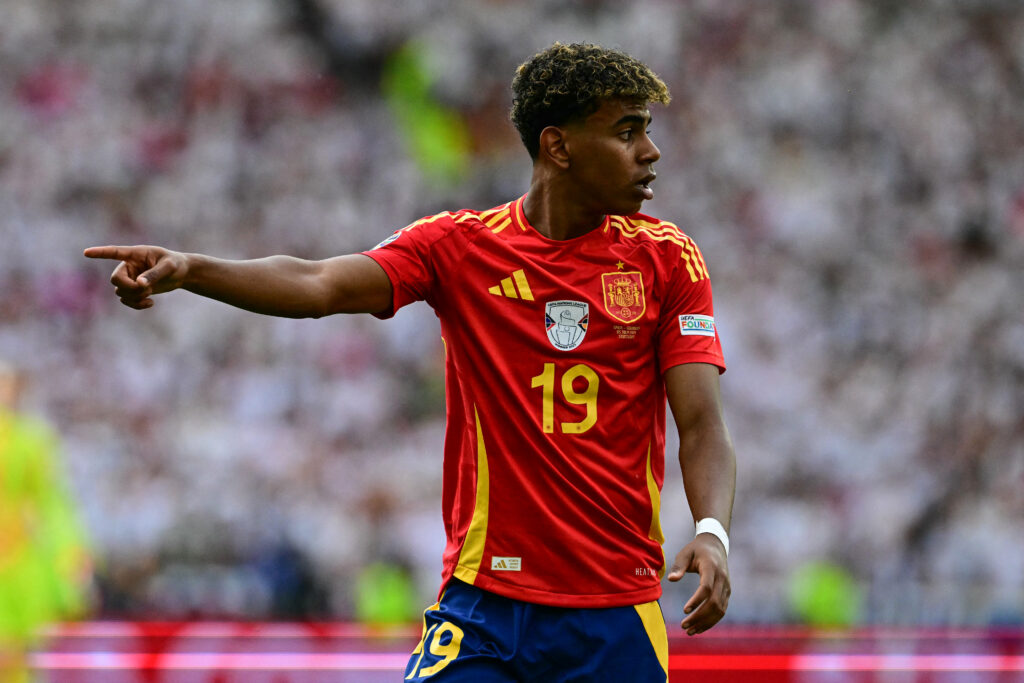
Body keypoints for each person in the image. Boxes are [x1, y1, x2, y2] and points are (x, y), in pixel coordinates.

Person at [85, 42, 736, 682]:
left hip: (616, 613)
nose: (650, 152)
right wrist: (194, 269)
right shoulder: (459, 247)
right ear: (558, 147)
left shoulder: (668, 259)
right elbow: (319, 284)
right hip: (487, 606)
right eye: (627, 132)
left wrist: (711, 530)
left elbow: (702, 424)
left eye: (645, 132)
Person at [0, 362, 92, 683]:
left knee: (15, 655)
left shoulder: (32, 441)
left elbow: (53, 501)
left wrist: (70, 552)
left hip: (18, 562)